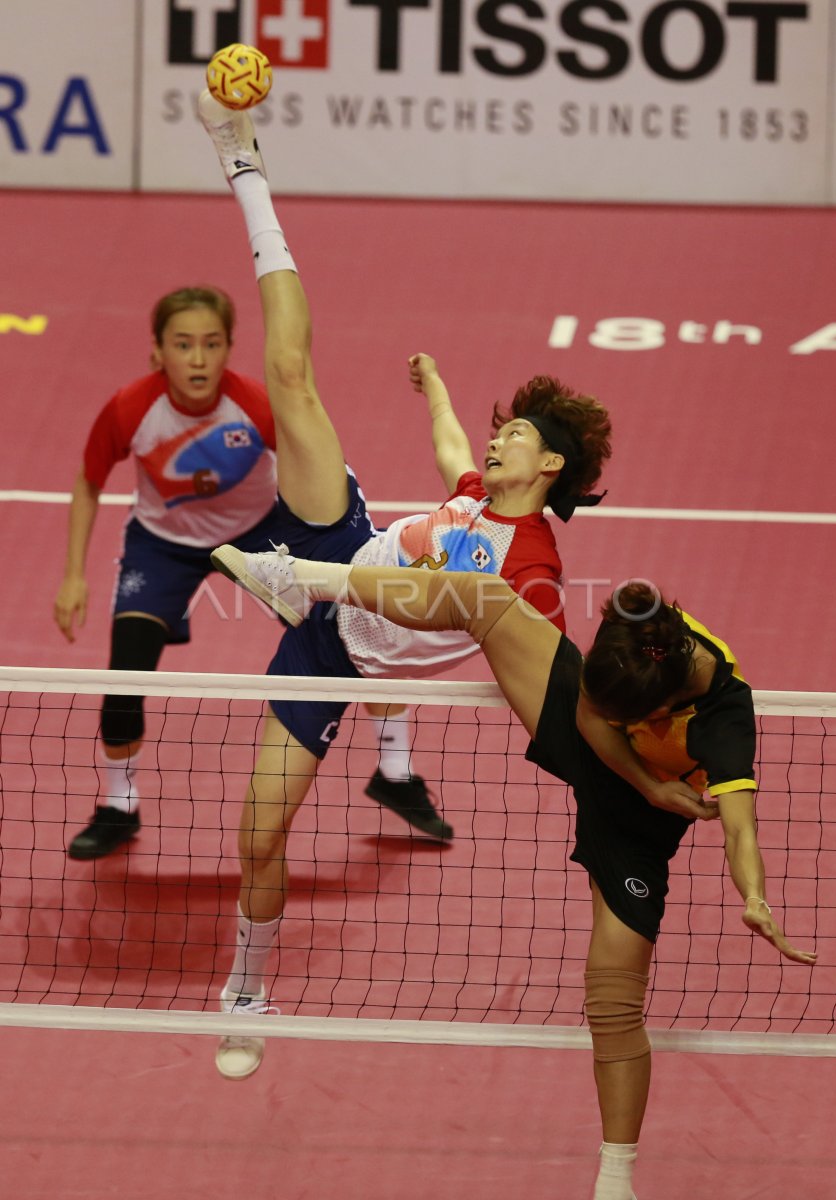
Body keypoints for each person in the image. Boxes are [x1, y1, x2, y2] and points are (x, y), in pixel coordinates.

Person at [196, 88, 612, 1079]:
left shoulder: (531, 569)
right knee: (290, 377)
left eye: (519, 433)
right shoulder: (479, 494)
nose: (500, 434)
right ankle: (242, 159)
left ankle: (298, 581)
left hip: (331, 643)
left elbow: (461, 620)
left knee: (262, 835)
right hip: (339, 550)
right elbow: (453, 457)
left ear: (546, 468)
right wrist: (437, 398)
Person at [221, 555, 817, 1199]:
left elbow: (739, 829)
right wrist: (645, 773)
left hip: (637, 826)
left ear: (665, 704)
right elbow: (590, 713)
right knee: (481, 597)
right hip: (617, 762)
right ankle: (303, 578)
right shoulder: (636, 631)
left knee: (613, 1002)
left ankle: (616, 1180)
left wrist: (754, 897)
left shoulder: (726, 721)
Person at [53, 285, 430, 860]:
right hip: (162, 545)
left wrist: (348, 541)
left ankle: (396, 772)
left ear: (229, 347)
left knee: (353, 625)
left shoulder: (254, 405)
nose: (198, 359)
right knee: (125, 675)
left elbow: (319, 464)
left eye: (210, 344)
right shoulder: (131, 409)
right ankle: (118, 804)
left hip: (259, 531)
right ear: (158, 351)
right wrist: (73, 575)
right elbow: (87, 482)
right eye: (183, 345)